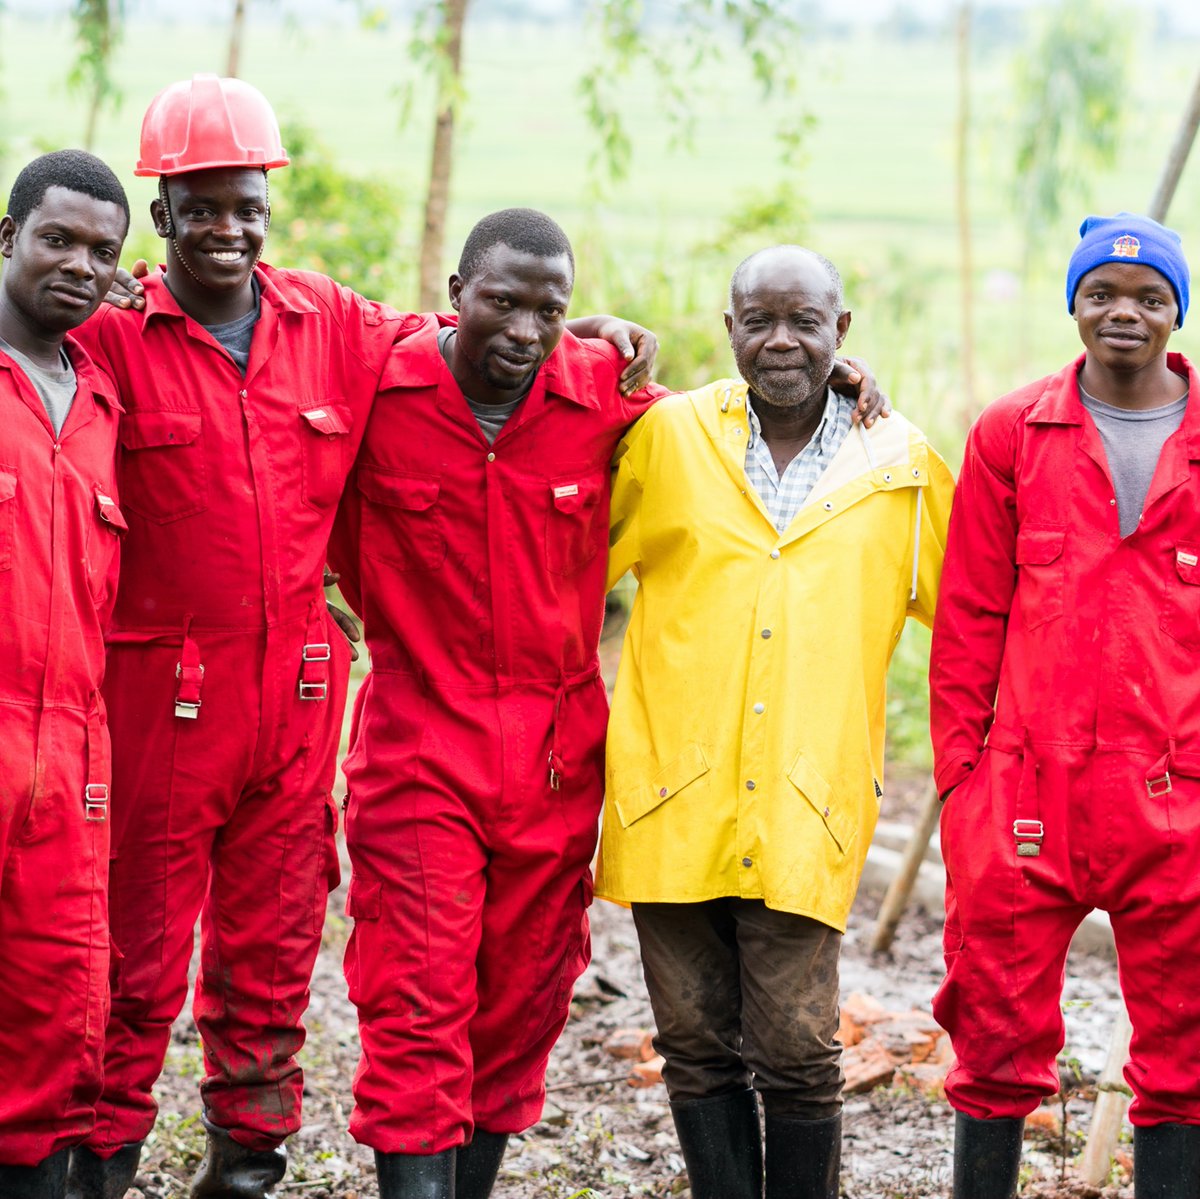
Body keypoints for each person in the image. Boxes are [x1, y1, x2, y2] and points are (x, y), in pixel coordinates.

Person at [64, 77, 656, 1199]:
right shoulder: (109, 336)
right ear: (164, 213)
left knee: (274, 956)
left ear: (267, 205)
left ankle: (244, 1168)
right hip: (164, 698)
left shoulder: (328, 324)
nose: (227, 228)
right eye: (202, 207)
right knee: (134, 962)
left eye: (245, 204)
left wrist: (568, 330)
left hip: (298, 699)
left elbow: (464, 337)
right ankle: (94, 1164)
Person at [327, 219, 890, 1199]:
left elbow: (739, 431)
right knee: (416, 997)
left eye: (549, 309)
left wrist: (828, 381)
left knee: (520, 1003)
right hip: (419, 736)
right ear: (457, 290)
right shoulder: (379, 383)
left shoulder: (605, 397)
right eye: (501, 300)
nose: (525, 327)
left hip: (553, 754)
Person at [596, 244, 954, 1199]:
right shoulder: (671, 439)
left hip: (808, 801)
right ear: (730, 332)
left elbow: (972, 615)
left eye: (806, 321)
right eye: (760, 320)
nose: (782, 340)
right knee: (694, 1044)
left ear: (844, 333)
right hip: (673, 790)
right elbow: (571, 556)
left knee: (798, 1050)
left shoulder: (901, 468)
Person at [930, 213, 1200, 1199]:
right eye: (1103, 293)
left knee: (1187, 1047)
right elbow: (966, 621)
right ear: (1074, 304)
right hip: (1026, 800)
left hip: (1178, 802)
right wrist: (965, 786)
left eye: (1149, 296)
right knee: (993, 1031)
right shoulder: (1014, 432)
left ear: (1178, 311)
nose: (1123, 312)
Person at [0, 150, 130, 1199]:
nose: (81, 265)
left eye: (103, 251)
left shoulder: (99, 404)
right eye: (59, 239)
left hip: (69, 761)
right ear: (8, 239)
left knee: (53, 1008)